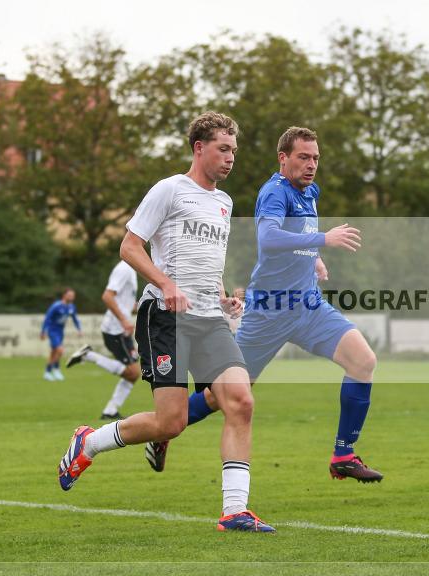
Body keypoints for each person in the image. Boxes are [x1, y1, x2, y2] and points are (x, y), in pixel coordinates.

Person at [57, 111, 275, 533]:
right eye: (223, 149)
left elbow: (209, 263)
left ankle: (235, 511)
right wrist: (165, 282)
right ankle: (90, 441)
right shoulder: (169, 190)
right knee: (170, 422)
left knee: (240, 402)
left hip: (210, 319)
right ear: (199, 148)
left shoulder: (225, 203)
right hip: (165, 317)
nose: (231, 159)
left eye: (234, 151)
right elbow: (130, 247)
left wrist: (225, 295)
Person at [145, 126, 383, 483]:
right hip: (270, 311)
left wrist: (313, 256)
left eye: (316, 158)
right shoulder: (274, 192)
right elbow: (269, 238)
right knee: (221, 397)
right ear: (283, 158)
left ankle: (343, 454)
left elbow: (298, 234)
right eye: (303, 157)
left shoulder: (310, 191)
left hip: (307, 304)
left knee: (363, 361)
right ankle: (164, 430)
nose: (311, 164)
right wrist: (324, 239)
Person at [65, 260, 141, 420]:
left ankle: (110, 411)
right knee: (133, 372)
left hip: (121, 330)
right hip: (115, 330)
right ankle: (89, 355)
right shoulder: (124, 268)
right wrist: (124, 320)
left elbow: (125, 301)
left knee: (133, 374)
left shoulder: (131, 269)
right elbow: (107, 296)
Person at [40, 288, 81, 381]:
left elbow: (75, 319)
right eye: (70, 295)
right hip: (52, 331)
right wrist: (43, 331)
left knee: (54, 352)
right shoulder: (56, 306)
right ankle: (56, 369)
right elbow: (47, 318)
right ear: (64, 295)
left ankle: (47, 372)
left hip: (60, 331)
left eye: (73, 296)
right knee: (60, 350)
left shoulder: (71, 307)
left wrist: (79, 329)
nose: (72, 297)